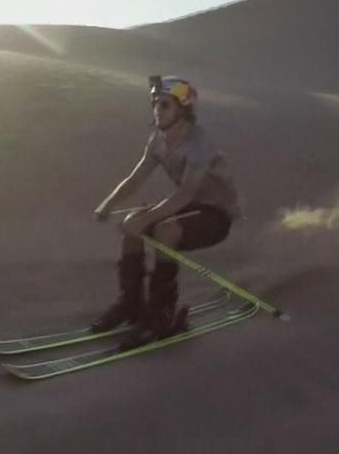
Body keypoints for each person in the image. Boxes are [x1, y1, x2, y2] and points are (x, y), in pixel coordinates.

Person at [90, 75, 240, 343]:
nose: (157, 110)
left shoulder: (198, 143)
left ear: (183, 108)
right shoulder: (157, 140)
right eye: (155, 104)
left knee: (164, 230)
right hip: (190, 205)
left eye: (165, 104)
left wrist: (148, 217)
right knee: (132, 222)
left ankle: (162, 312)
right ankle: (131, 304)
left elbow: (185, 193)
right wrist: (107, 205)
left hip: (217, 215)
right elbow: (136, 179)